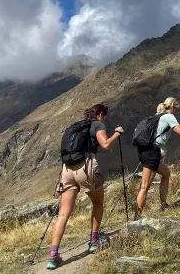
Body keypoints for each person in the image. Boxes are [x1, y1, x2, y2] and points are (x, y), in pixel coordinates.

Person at [47, 104, 123, 270]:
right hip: (86, 167)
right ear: (101, 114)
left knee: (63, 213)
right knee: (97, 202)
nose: (105, 119)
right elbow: (105, 145)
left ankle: (53, 256)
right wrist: (117, 133)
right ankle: (94, 241)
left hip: (67, 170)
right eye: (105, 116)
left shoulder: (75, 127)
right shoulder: (98, 124)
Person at [134, 97, 180, 219]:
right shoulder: (169, 116)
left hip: (144, 150)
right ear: (173, 106)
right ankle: (137, 218)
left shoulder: (157, 116)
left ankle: (163, 205)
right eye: (177, 108)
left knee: (166, 173)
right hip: (152, 152)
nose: (177, 111)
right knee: (145, 186)